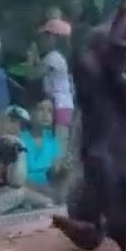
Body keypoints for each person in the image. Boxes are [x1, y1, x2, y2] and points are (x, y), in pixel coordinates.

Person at [0, 105, 56, 214]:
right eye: (12, 121)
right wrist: (21, 148)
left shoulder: (11, 147)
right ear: (0, 120)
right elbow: (17, 183)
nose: (16, 128)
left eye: (21, 126)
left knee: (47, 203)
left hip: (6, 198)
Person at [26, 18, 74, 153]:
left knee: (59, 149)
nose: (42, 40)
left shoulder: (53, 58)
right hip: (61, 106)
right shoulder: (55, 57)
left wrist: (31, 57)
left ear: (53, 38)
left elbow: (32, 75)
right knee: (57, 146)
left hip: (60, 106)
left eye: (45, 37)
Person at [19, 99, 67, 195]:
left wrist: (63, 170)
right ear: (29, 113)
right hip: (27, 190)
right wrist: (44, 190)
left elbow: (55, 173)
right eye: (40, 109)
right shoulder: (20, 139)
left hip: (49, 190)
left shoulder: (52, 139)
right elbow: (19, 180)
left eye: (50, 111)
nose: (46, 115)